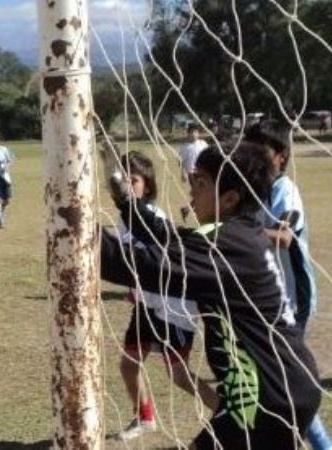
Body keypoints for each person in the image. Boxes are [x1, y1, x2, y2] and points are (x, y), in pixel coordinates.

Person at [100, 141, 321, 448]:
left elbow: (144, 266)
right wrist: (124, 198)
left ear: (229, 198)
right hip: (284, 383)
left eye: (200, 183)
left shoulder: (225, 246)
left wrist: (73, 226)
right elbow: (165, 234)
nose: (191, 192)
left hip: (266, 394)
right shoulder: (242, 233)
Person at [106, 151, 216, 442]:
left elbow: (155, 261)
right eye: (124, 179)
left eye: (135, 180)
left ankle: (225, 413)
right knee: (129, 365)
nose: (129, 185)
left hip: (172, 306)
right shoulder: (124, 218)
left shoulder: (153, 217)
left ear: (148, 185)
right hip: (146, 305)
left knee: (179, 376)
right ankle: (145, 417)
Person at [244, 121, 332, 450]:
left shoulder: (285, 189)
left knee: (286, 383)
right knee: (277, 382)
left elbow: (283, 237)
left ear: (280, 156)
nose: (253, 157)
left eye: (260, 151)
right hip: (266, 298)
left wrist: (239, 234)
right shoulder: (254, 189)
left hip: (293, 301)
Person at [178, 123, 209, 220]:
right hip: (192, 174)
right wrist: (183, 172)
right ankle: (196, 212)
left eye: (195, 132)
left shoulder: (203, 143)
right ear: (188, 134)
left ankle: (187, 209)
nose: (193, 134)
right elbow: (180, 161)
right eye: (191, 132)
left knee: (203, 193)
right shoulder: (185, 147)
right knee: (200, 193)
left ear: (199, 133)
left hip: (205, 173)